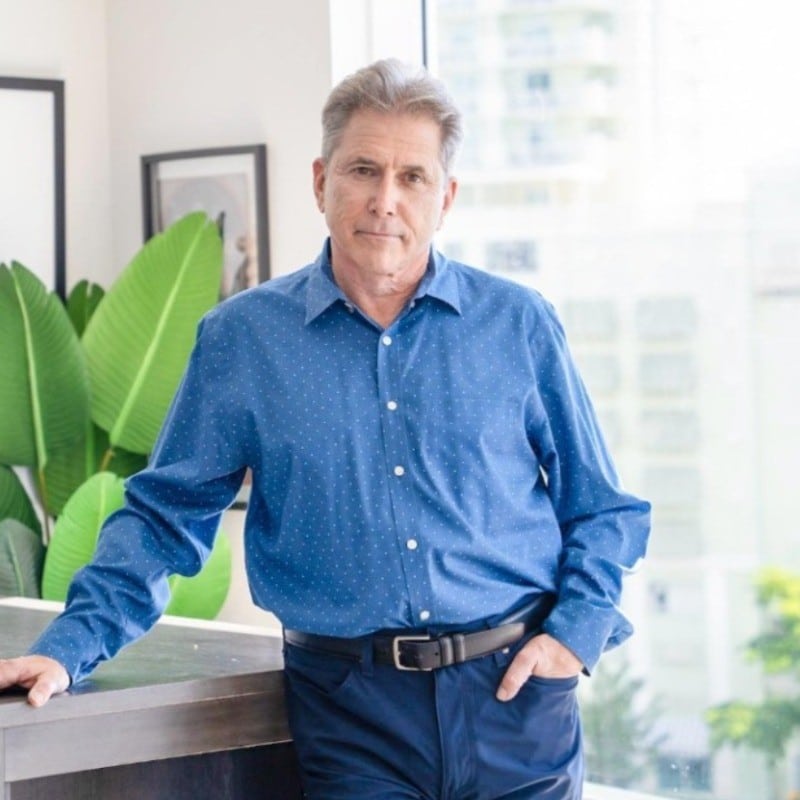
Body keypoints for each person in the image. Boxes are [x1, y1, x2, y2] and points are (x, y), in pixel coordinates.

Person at [0, 59, 650, 799]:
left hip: (514, 699)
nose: (385, 200)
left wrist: (576, 633)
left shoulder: (519, 324)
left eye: (413, 177)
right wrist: (68, 649)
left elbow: (600, 507)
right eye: (363, 170)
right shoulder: (243, 340)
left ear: (447, 197)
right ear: (320, 182)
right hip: (350, 712)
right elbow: (163, 517)